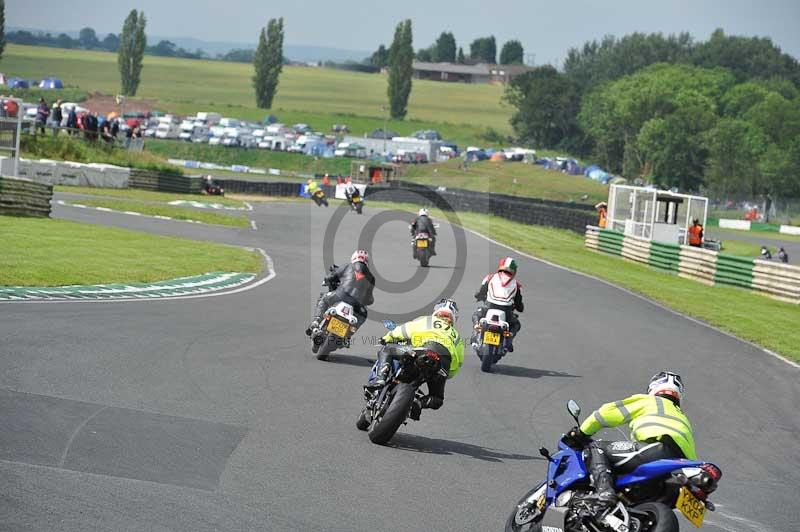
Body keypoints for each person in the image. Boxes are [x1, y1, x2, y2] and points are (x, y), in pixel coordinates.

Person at [563, 371, 696, 507]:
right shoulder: (683, 417)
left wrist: (581, 433)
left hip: (656, 450)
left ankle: (604, 491)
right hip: (683, 465)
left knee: (596, 447)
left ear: (654, 387)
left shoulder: (649, 401)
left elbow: (605, 414)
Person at [367, 299, 465, 416]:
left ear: (436, 311)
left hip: (422, 351)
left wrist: (386, 338)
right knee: (437, 399)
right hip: (442, 364)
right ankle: (418, 403)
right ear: (454, 318)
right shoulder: (457, 336)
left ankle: (380, 379)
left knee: (387, 350)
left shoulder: (427, 320)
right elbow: (457, 365)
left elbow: (404, 330)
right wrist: (444, 374)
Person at [307, 250, 375, 338]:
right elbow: (370, 299)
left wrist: (326, 280)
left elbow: (331, 276)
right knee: (363, 316)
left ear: (354, 257)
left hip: (341, 295)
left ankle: (316, 321)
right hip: (357, 305)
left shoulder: (348, 266)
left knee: (323, 298)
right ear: (367, 261)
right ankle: (348, 335)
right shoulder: (371, 278)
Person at [472, 257, 524, 352]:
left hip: (489, 307)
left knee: (476, 315)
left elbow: (479, 293)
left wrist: (479, 296)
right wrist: (519, 307)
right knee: (516, 324)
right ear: (514, 270)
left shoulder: (490, 278)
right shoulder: (517, 285)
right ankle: (509, 341)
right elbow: (519, 306)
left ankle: (476, 332)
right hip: (506, 311)